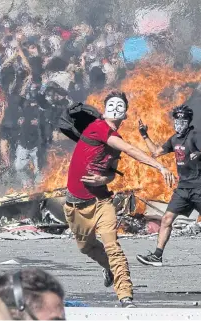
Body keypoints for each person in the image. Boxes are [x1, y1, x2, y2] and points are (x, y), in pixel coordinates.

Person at [64, 91, 175, 308]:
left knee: (113, 246)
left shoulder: (115, 140)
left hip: (101, 201)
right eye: (112, 105)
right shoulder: (98, 127)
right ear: (104, 109)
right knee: (86, 247)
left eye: (120, 106)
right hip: (75, 204)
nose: (116, 108)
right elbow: (131, 150)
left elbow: (111, 174)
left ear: (125, 116)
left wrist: (100, 179)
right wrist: (159, 166)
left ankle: (125, 296)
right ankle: (108, 268)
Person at [136, 105, 201, 267]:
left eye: (182, 120)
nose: (179, 123)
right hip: (182, 188)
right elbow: (156, 152)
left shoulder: (195, 136)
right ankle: (157, 256)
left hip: (199, 187)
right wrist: (144, 135)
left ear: (188, 121)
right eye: (176, 120)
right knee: (167, 219)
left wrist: (199, 154)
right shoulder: (174, 139)